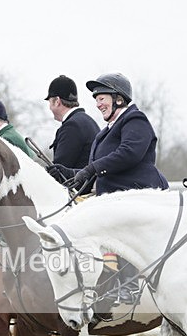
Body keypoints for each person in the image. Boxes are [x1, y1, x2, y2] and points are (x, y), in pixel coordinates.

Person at [57, 73, 169, 304]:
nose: (97, 104)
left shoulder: (135, 120)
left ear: (119, 98)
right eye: (96, 99)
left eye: (102, 98)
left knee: (115, 225)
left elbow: (129, 153)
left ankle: (129, 285)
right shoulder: (104, 132)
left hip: (139, 195)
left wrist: (92, 169)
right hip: (112, 196)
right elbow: (93, 170)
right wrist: (67, 174)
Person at [44, 75, 99, 183]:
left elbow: (59, 171)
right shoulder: (86, 121)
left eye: (49, 102)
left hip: (79, 192)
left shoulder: (72, 126)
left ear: (57, 101)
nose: (49, 107)